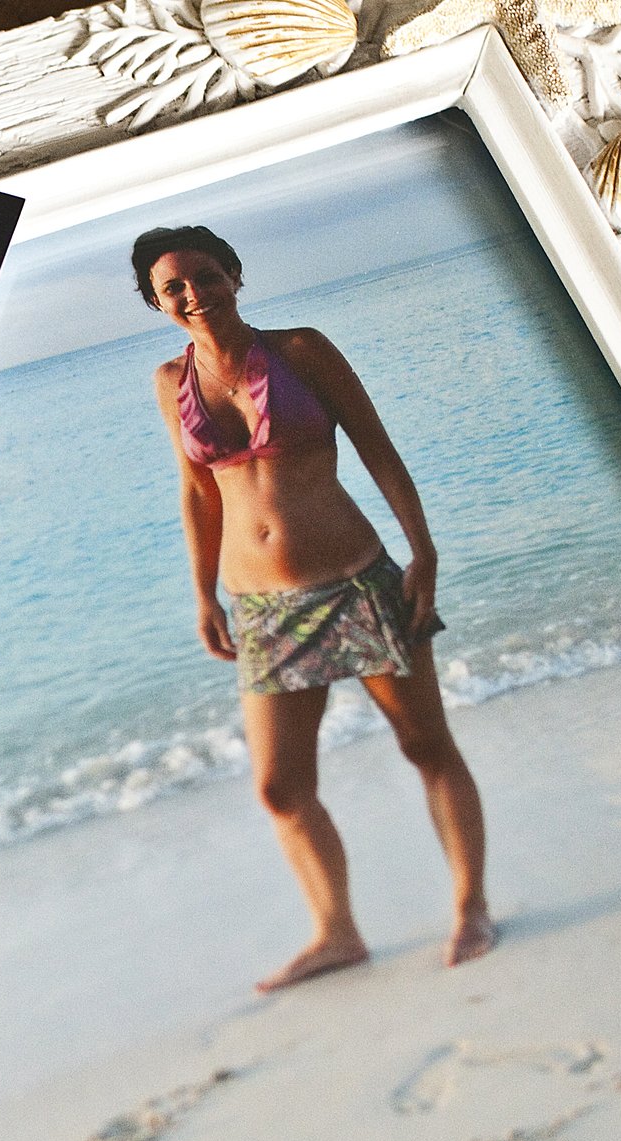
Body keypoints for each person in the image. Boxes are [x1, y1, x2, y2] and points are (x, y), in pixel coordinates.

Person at [134, 224, 495, 991]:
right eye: (174, 287)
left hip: (357, 581)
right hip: (262, 608)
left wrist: (423, 549)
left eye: (206, 275)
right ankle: (336, 932)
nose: (194, 295)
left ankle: (470, 905)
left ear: (235, 274)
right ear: (157, 303)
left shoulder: (300, 351)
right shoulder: (170, 382)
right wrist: (201, 593)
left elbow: (376, 446)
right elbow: (197, 491)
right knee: (279, 788)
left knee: (426, 748)